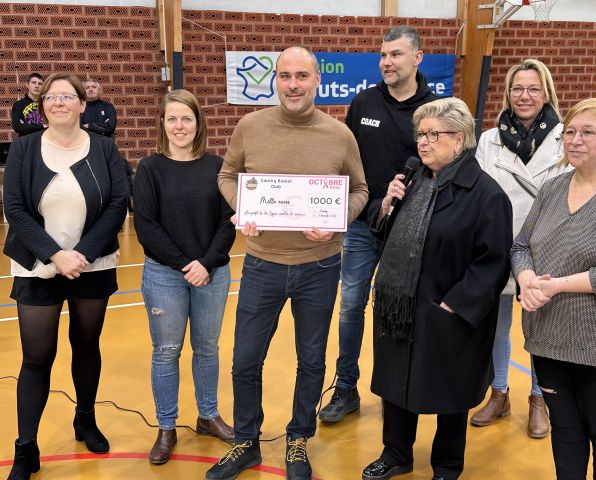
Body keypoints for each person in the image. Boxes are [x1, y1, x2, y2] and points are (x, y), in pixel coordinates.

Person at [206, 46, 368, 480]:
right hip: (262, 265)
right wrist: (244, 207)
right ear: (274, 80)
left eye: (301, 76)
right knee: (245, 360)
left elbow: (360, 190)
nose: (292, 84)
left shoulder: (339, 135)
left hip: (320, 266)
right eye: (284, 76)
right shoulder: (249, 127)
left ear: (317, 81)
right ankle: (246, 441)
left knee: (311, 360)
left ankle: (298, 439)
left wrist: (337, 222)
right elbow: (226, 176)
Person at [361, 97, 512, 480]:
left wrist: (455, 306)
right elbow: (384, 233)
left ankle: (447, 464)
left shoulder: (485, 194)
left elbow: (492, 262)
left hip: (447, 311)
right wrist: (387, 204)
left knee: (451, 391)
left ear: (459, 139)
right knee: (396, 383)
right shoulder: (411, 182)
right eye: (420, 134)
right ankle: (396, 453)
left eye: (433, 134)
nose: (423, 143)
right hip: (400, 304)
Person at [2, 72, 128, 480]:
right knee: (37, 358)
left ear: (80, 104)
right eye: (52, 96)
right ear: (43, 106)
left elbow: (117, 204)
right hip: (37, 265)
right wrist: (56, 255)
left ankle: (85, 420)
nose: (59, 102)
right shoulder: (23, 149)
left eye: (67, 96)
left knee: (86, 345)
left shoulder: (106, 148)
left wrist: (83, 254)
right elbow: (16, 209)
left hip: (92, 264)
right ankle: (26, 447)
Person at [511, 98, 596, 480]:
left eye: (588, 132)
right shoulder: (552, 188)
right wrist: (526, 280)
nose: (575, 140)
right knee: (565, 432)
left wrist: (555, 286)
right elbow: (521, 247)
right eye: (570, 132)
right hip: (549, 335)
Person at [320, 25, 438, 424]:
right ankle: (346, 388)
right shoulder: (364, 102)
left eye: (396, 55)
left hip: (410, 232)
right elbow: (344, 163)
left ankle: (394, 387)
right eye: (383, 55)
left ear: (417, 58)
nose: (387, 62)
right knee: (352, 306)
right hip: (362, 226)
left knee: (398, 311)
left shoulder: (433, 112)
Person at [133, 89, 236, 465]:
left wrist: (206, 263)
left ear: (198, 123)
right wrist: (185, 265)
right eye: (172, 118)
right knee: (166, 351)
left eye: (186, 118)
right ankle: (166, 426)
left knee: (207, 348)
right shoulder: (149, 168)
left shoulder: (217, 167)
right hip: (164, 274)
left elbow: (229, 222)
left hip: (212, 273)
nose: (179, 126)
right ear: (162, 124)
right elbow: (145, 227)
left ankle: (208, 416)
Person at [472, 58, 570, 438]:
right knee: (496, 329)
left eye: (532, 88)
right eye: (517, 89)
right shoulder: (488, 139)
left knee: (539, 330)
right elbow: (480, 195)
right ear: (507, 94)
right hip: (497, 245)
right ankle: (499, 393)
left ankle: (538, 399)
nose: (524, 96)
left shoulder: (566, 137)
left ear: (545, 92)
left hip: (546, 246)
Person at [11, 73, 46, 137]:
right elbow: (17, 127)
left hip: (45, 141)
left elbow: (53, 125)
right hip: (26, 143)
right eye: (33, 82)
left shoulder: (47, 103)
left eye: (40, 84)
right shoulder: (18, 105)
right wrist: (43, 126)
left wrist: (26, 125)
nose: (37, 86)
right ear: (27, 84)